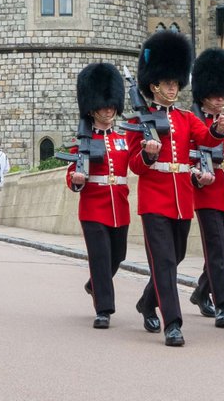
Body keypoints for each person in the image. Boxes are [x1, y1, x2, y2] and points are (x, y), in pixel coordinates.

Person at [130, 30, 224, 347]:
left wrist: (217, 129)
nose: (173, 88)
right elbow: (133, 164)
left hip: (181, 200)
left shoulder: (187, 118)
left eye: (176, 83)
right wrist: (147, 154)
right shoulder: (140, 120)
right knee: (163, 262)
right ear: (154, 85)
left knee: (175, 258)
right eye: (167, 83)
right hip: (154, 200)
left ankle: (147, 302)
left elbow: (206, 139)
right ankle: (172, 323)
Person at [67, 63, 133, 330]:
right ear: (92, 108)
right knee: (101, 258)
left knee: (118, 256)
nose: (109, 110)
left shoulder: (123, 138)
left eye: (111, 106)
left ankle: (94, 284)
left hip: (120, 205)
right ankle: (103, 310)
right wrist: (76, 180)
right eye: (104, 106)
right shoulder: (83, 140)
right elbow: (72, 171)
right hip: (93, 207)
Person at [186, 48, 224, 328]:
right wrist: (197, 175)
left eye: (223, 94)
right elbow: (185, 158)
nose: (220, 99)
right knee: (217, 250)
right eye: (214, 94)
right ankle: (223, 304)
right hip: (207, 193)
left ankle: (200, 291)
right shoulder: (192, 123)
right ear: (203, 94)